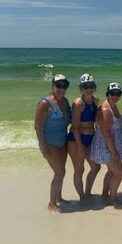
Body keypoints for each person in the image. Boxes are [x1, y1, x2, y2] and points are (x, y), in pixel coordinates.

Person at [34, 74, 71, 212]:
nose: (61, 89)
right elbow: (38, 127)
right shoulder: (45, 104)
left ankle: (59, 198)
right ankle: (51, 203)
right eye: (58, 86)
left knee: (62, 171)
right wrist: (43, 147)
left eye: (64, 86)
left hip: (63, 142)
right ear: (52, 87)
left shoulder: (65, 102)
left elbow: (70, 120)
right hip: (49, 143)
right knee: (59, 172)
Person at [91, 83, 122, 205]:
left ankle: (105, 195)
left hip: (111, 145)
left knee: (111, 171)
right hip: (107, 146)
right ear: (107, 94)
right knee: (118, 172)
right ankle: (113, 200)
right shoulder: (106, 109)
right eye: (112, 93)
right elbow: (106, 133)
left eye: (118, 93)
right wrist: (114, 152)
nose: (115, 96)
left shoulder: (113, 106)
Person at [67, 74, 100, 200]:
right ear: (81, 89)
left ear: (95, 87)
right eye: (85, 86)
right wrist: (80, 146)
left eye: (91, 86)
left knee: (95, 167)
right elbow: (75, 127)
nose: (88, 89)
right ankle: (82, 197)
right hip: (76, 139)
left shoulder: (96, 100)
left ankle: (87, 193)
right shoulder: (78, 104)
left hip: (90, 138)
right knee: (79, 169)